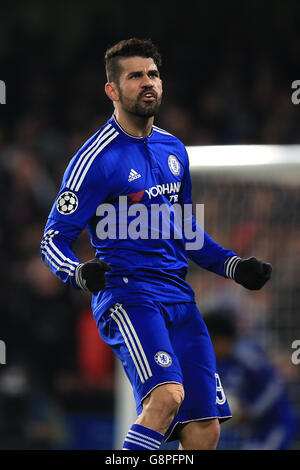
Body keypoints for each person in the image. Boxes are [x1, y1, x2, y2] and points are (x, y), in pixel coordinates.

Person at [40, 38, 272, 450]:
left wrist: (235, 266)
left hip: (179, 298)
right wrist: (78, 271)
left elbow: (185, 230)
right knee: (166, 397)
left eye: (152, 74)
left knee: (205, 428)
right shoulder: (96, 159)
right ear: (112, 90)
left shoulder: (174, 150)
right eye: (135, 76)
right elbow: (52, 238)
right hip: (129, 294)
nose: (147, 83)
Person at [204, 310, 299, 450]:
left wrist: (252, 411)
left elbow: (275, 384)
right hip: (255, 429)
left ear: (221, 340)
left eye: (209, 342)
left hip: (277, 424)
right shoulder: (218, 361)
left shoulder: (246, 355)